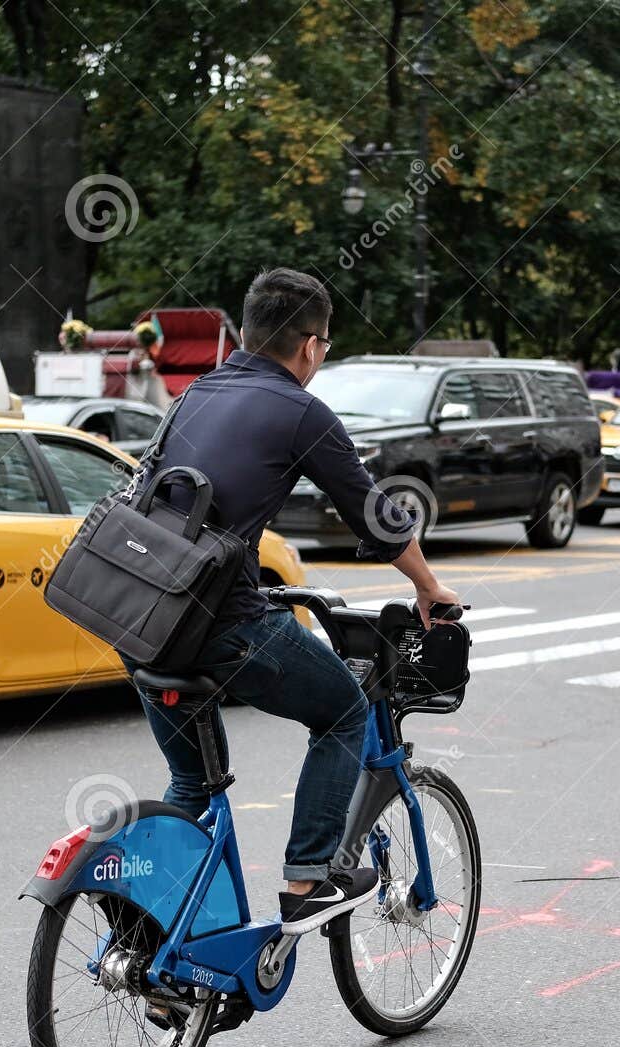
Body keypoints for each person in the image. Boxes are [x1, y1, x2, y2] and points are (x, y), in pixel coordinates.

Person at [125, 267, 459, 932]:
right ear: (309, 346)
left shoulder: (196, 393)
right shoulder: (301, 411)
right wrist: (429, 585)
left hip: (138, 618)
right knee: (342, 708)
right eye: (326, 345)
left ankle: (159, 951)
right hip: (221, 624)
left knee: (192, 784)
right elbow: (374, 513)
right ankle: (309, 878)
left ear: (247, 331)